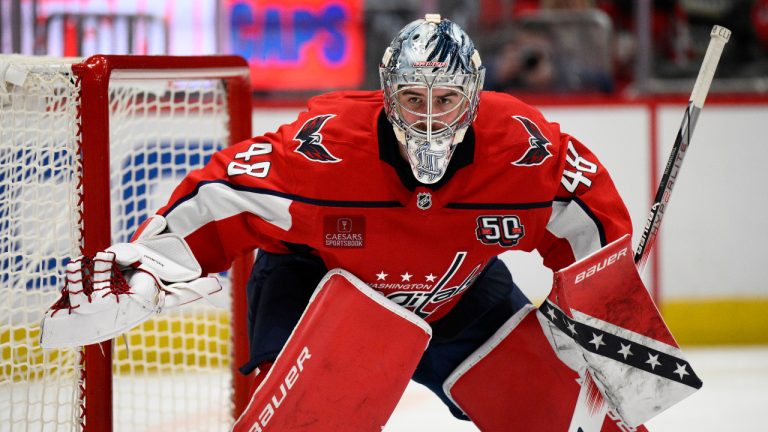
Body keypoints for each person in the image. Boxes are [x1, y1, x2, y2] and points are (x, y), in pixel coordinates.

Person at [42, 13, 633, 428]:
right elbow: (223, 194)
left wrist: (604, 313)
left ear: (474, 98)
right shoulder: (322, 153)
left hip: (458, 293)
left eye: (446, 100)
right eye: (413, 100)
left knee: (570, 417)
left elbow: (591, 223)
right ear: (386, 95)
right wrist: (151, 261)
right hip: (319, 289)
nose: (429, 120)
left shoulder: (524, 151)